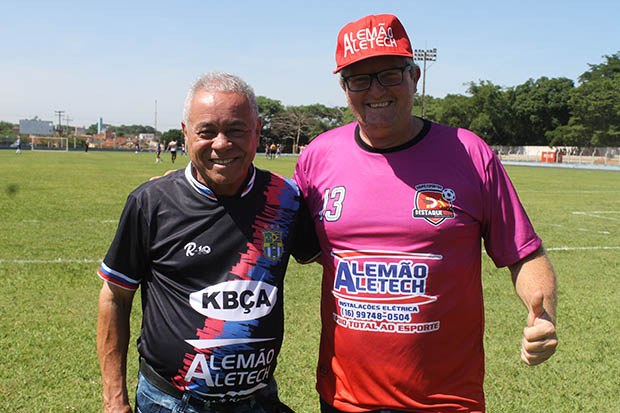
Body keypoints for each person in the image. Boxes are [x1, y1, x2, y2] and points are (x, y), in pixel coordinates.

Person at [293, 14, 558, 412]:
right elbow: (282, 226)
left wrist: (545, 317)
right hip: (343, 400)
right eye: (358, 79)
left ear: (415, 75)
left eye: (388, 74)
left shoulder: (470, 154)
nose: (375, 90)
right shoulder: (318, 156)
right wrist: (184, 183)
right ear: (344, 88)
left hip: (445, 401)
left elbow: (524, 253)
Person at [97, 71, 318, 413]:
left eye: (235, 130)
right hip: (169, 403)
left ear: (257, 131)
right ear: (185, 134)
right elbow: (115, 295)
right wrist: (114, 401)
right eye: (207, 131)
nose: (221, 144)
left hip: (256, 401)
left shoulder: (285, 200)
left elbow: (341, 257)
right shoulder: (151, 203)